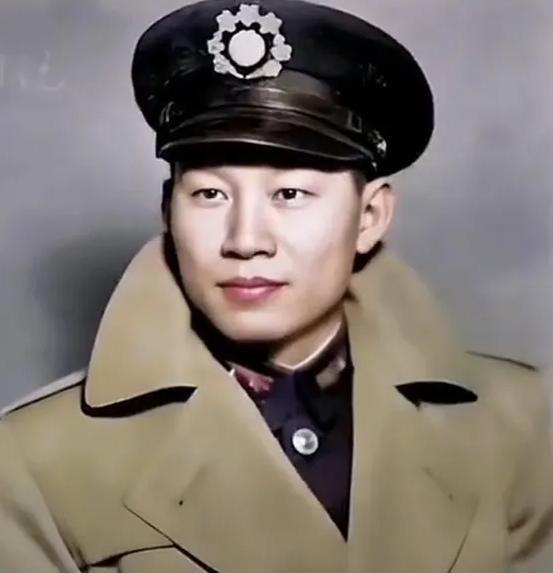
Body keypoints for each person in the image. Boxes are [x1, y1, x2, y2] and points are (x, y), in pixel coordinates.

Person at [1, 1, 552, 572]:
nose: (245, 240)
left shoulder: (520, 422)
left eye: (290, 194)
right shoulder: (35, 459)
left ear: (369, 217)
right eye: (210, 194)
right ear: (169, 211)